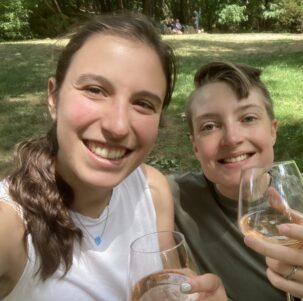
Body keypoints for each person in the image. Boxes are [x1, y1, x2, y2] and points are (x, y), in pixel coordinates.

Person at [0, 14, 227, 301]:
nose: (118, 126)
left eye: (143, 103)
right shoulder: (10, 227)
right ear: (54, 97)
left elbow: (170, 288)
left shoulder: (152, 191)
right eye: (95, 90)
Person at [168, 61, 303, 301]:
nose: (232, 138)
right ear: (195, 146)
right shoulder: (171, 197)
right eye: (210, 126)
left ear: (273, 131)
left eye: (249, 118)